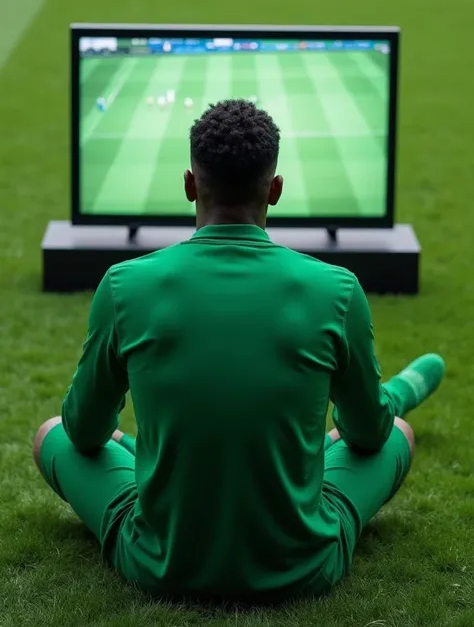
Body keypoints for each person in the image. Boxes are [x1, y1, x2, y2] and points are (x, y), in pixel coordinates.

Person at [33, 99, 445, 603]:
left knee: (49, 434)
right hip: (304, 566)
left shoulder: (124, 285)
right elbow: (368, 433)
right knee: (397, 430)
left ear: (189, 185)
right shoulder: (337, 289)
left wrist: (122, 439)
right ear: (275, 190)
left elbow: (83, 432)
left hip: (159, 563)